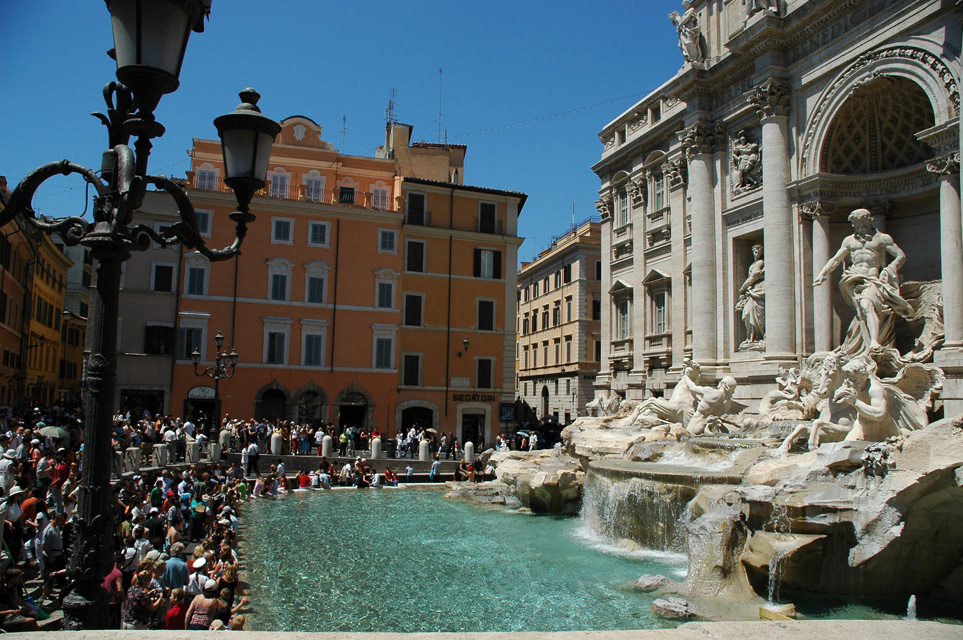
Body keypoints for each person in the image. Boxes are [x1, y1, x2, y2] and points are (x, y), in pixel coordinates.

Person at [813, 208, 912, 355]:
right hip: (853, 279)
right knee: (862, 310)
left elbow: (900, 256)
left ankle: (873, 342)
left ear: (870, 221)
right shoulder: (849, 241)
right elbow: (835, 259)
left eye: (863, 224)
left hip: (872, 279)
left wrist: (889, 268)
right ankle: (868, 342)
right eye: (857, 224)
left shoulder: (881, 238)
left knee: (866, 305)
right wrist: (822, 273)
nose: (860, 228)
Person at [736, 243, 765, 347]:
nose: (755, 253)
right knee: (748, 313)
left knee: (755, 313)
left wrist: (742, 289)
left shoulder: (760, 262)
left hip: (758, 288)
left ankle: (758, 336)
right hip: (751, 291)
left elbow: (753, 277)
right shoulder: (753, 264)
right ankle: (751, 338)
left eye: (757, 251)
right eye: (754, 251)